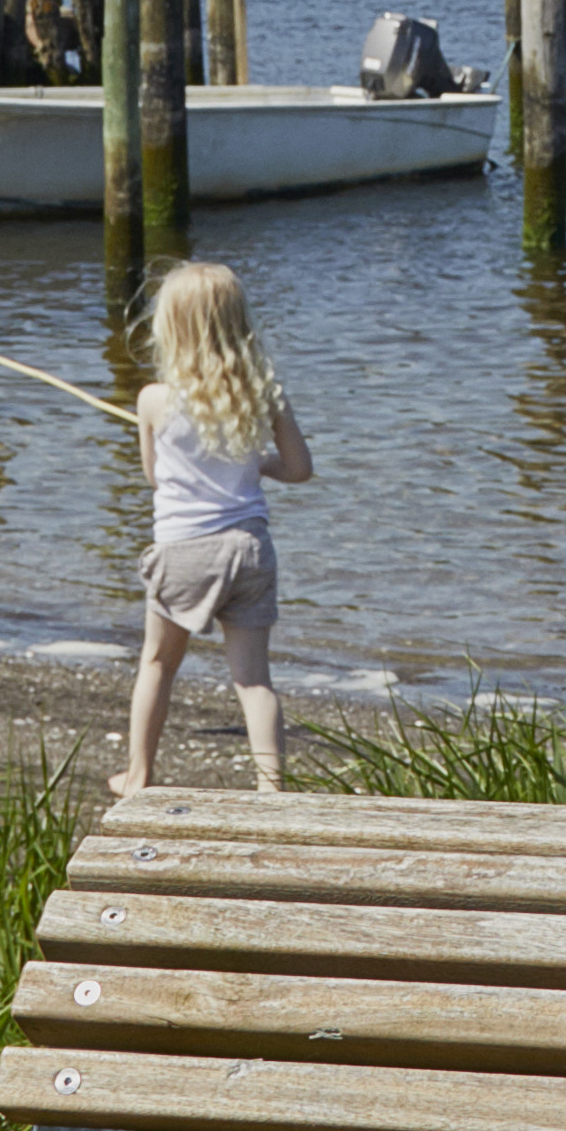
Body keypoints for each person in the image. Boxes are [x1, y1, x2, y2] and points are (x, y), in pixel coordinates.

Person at [124, 254, 319, 794]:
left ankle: (139, 775)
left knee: (158, 664)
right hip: (249, 549)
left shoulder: (153, 400)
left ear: (171, 328)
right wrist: (258, 463)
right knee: (254, 679)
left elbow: (155, 478)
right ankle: (270, 786)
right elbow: (300, 469)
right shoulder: (263, 395)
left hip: (182, 550)